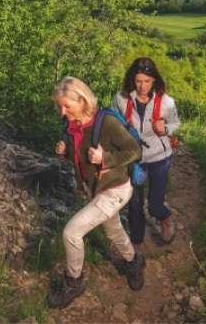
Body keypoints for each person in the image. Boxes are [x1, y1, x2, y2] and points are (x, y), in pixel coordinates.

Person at [48, 76, 146, 309]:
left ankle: (74, 281)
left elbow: (135, 150)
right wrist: (64, 151)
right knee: (113, 231)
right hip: (96, 190)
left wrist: (106, 158)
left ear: (82, 101)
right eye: (60, 107)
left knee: (71, 232)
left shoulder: (107, 123)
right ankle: (134, 261)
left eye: (67, 106)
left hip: (115, 189)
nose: (63, 112)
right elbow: (81, 157)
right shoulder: (71, 126)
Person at [113, 57, 180, 248]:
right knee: (134, 204)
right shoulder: (121, 99)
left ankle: (163, 217)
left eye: (147, 81)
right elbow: (113, 122)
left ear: (154, 80)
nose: (143, 86)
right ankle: (136, 244)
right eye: (138, 81)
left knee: (154, 205)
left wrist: (165, 129)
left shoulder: (166, 102)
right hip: (133, 157)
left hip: (159, 157)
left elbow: (175, 123)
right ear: (132, 80)